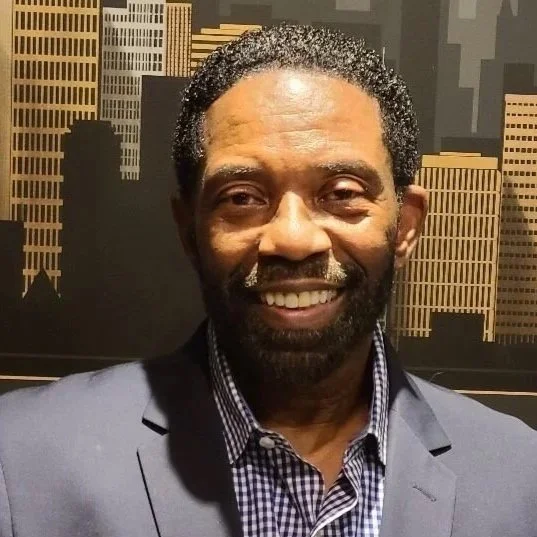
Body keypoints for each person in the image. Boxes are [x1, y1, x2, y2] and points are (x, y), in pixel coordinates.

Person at [0, 24, 535, 537]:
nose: (293, 239)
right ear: (189, 231)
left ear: (406, 225)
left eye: (342, 193)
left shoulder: (520, 480)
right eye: (242, 198)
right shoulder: (21, 460)